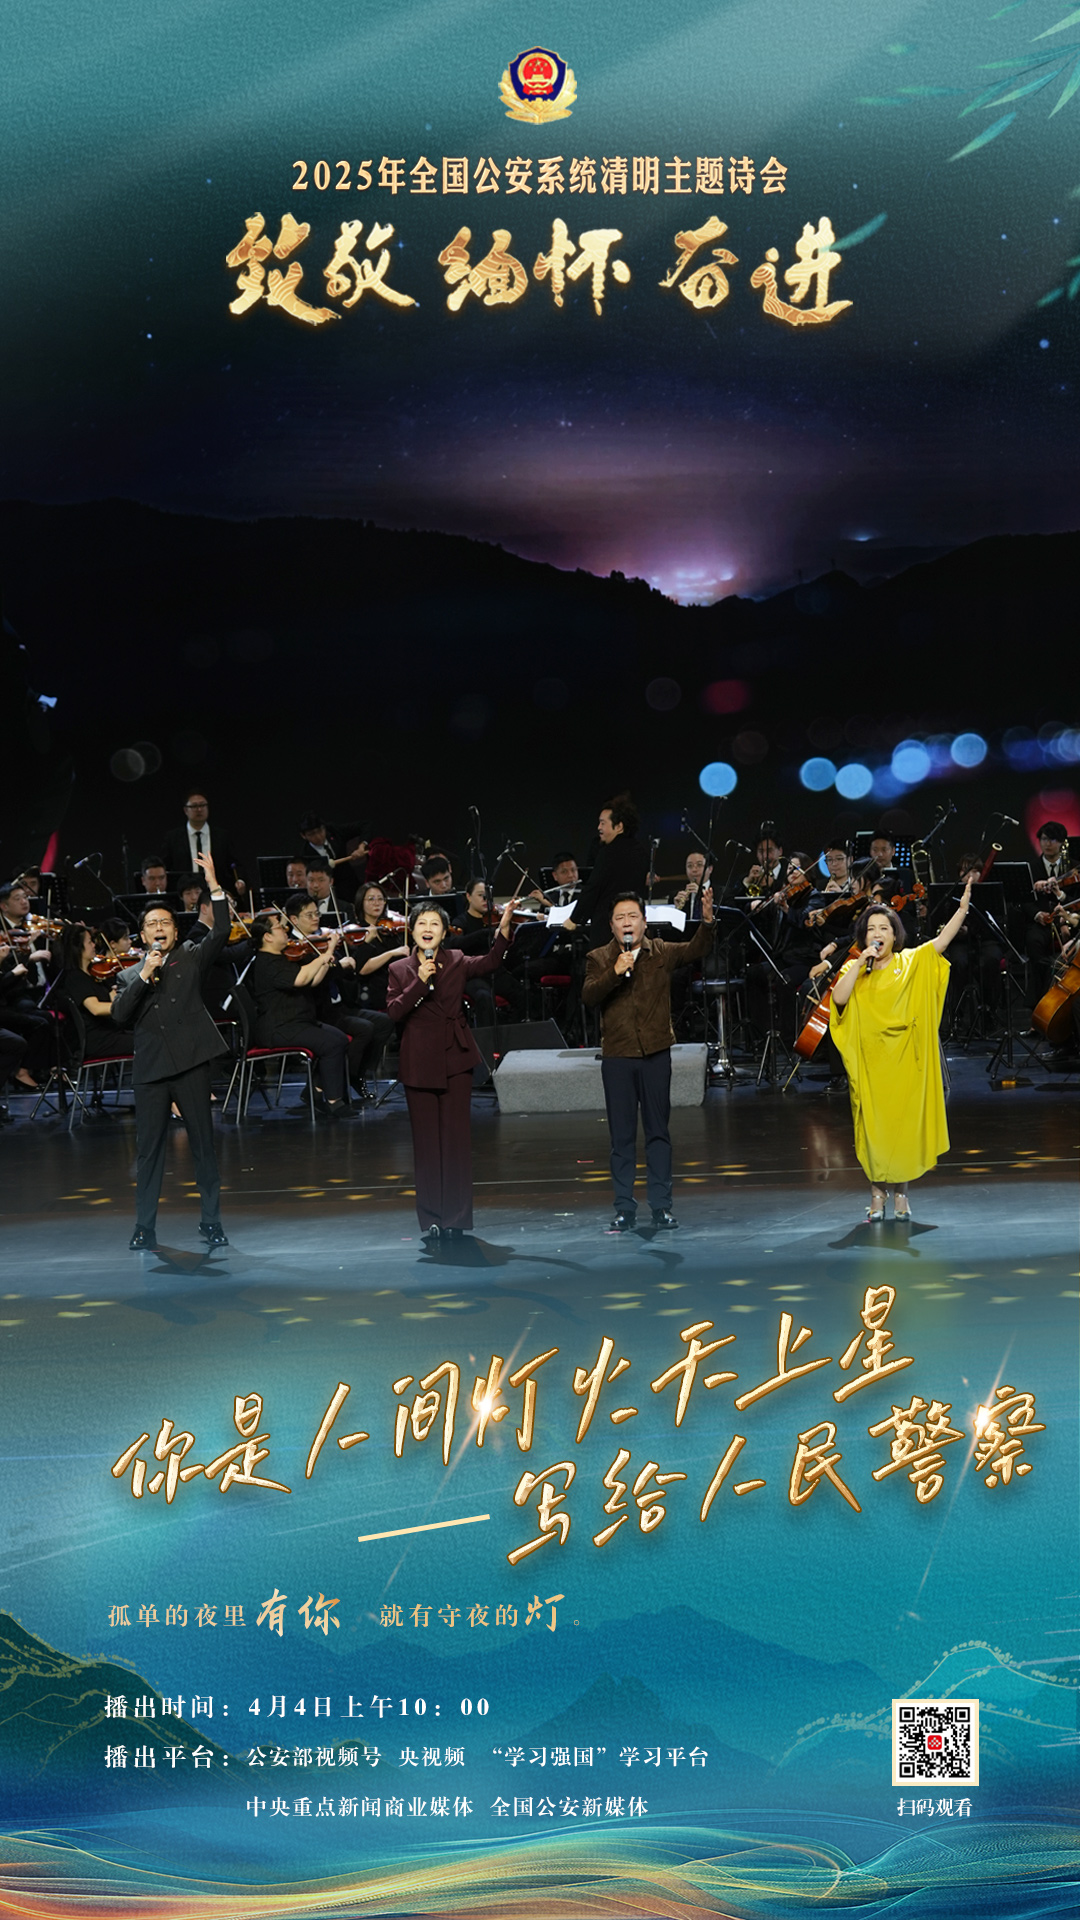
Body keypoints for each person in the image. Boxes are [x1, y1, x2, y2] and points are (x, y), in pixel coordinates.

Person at [828, 882, 973, 1222]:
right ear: (863, 937)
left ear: (895, 935)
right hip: (870, 1063)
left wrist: (963, 909)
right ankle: (877, 1194)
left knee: (900, 1132)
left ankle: (901, 1195)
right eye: (871, 929)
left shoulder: (909, 963)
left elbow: (941, 943)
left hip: (904, 1061)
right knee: (874, 1133)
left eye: (884, 928)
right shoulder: (855, 969)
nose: (878, 934)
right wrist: (858, 963)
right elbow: (838, 999)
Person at [112, 852, 232, 1251]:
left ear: (175, 932)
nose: (159, 928)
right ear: (142, 935)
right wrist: (145, 974)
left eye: (165, 922)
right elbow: (119, 1015)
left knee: (203, 1147)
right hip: (150, 1072)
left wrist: (213, 885)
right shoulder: (129, 974)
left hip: (190, 1064)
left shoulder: (191, 956)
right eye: (152, 924)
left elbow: (222, 930)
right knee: (149, 1153)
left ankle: (211, 1222)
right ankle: (144, 1227)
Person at [386, 895, 521, 1240]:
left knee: (456, 1142)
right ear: (411, 931)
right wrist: (420, 981)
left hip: (455, 1056)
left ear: (444, 932)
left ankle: (457, 1219)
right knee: (426, 1145)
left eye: (435, 924)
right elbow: (395, 1012)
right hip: (418, 1060)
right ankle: (432, 1217)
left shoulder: (458, 960)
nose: (428, 929)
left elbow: (492, 961)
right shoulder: (399, 970)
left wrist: (504, 929)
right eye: (422, 923)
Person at [583, 887, 715, 1232]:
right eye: (620, 918)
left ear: (644, 922)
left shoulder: (660, 952)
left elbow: (696, 949)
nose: (627, 923)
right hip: (618, 1057)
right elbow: (589, 996)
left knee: (658, 1133)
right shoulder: (599, 957)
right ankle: (624, 1208)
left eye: (633, 916)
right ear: (611, 926)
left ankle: (661, 1206)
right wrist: (615, 971)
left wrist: (707, 922)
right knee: (622, 1137)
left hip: (656, 1054)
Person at [247, 912, 353, 1115]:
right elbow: (300, 979)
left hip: (296, 1022)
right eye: (279, 927)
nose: (285, 930)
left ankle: (315, 1090)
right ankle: (334, 1102)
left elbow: (312, 981)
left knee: (339, 1038)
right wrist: (324, 955)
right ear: (267, 936)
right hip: (278, 1027)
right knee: (330, 1044)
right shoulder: (267, 962)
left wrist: (326, 958)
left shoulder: (281, 958)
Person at [564, 796, 649, 949]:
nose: (599, 828)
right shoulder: (641, 851)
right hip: (634, 927)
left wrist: (575, 919)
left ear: (619, 827)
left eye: (603, 823)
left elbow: (594, 887)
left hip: (608, 929)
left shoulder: (608, 852)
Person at [58, 924, 135, 1059]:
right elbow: (96, 1008)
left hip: (111, 1031)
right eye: (89, 942)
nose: (94, 945)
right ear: (78, 947)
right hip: (98, 1039)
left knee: (150, 1034)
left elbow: (112, 998)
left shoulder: (94, 974)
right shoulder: (75, 978)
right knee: (149, 1041)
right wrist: (125, 1005)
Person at [162, 791, 247, 897]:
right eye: (194, 806)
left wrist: (240, 880)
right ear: (185, 810)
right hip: (185, 894)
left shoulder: (222, 836)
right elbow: (166, 866)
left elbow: (235, 863)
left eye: (202, 805)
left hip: (217, 891)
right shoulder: (173, 838)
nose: (199, 809)